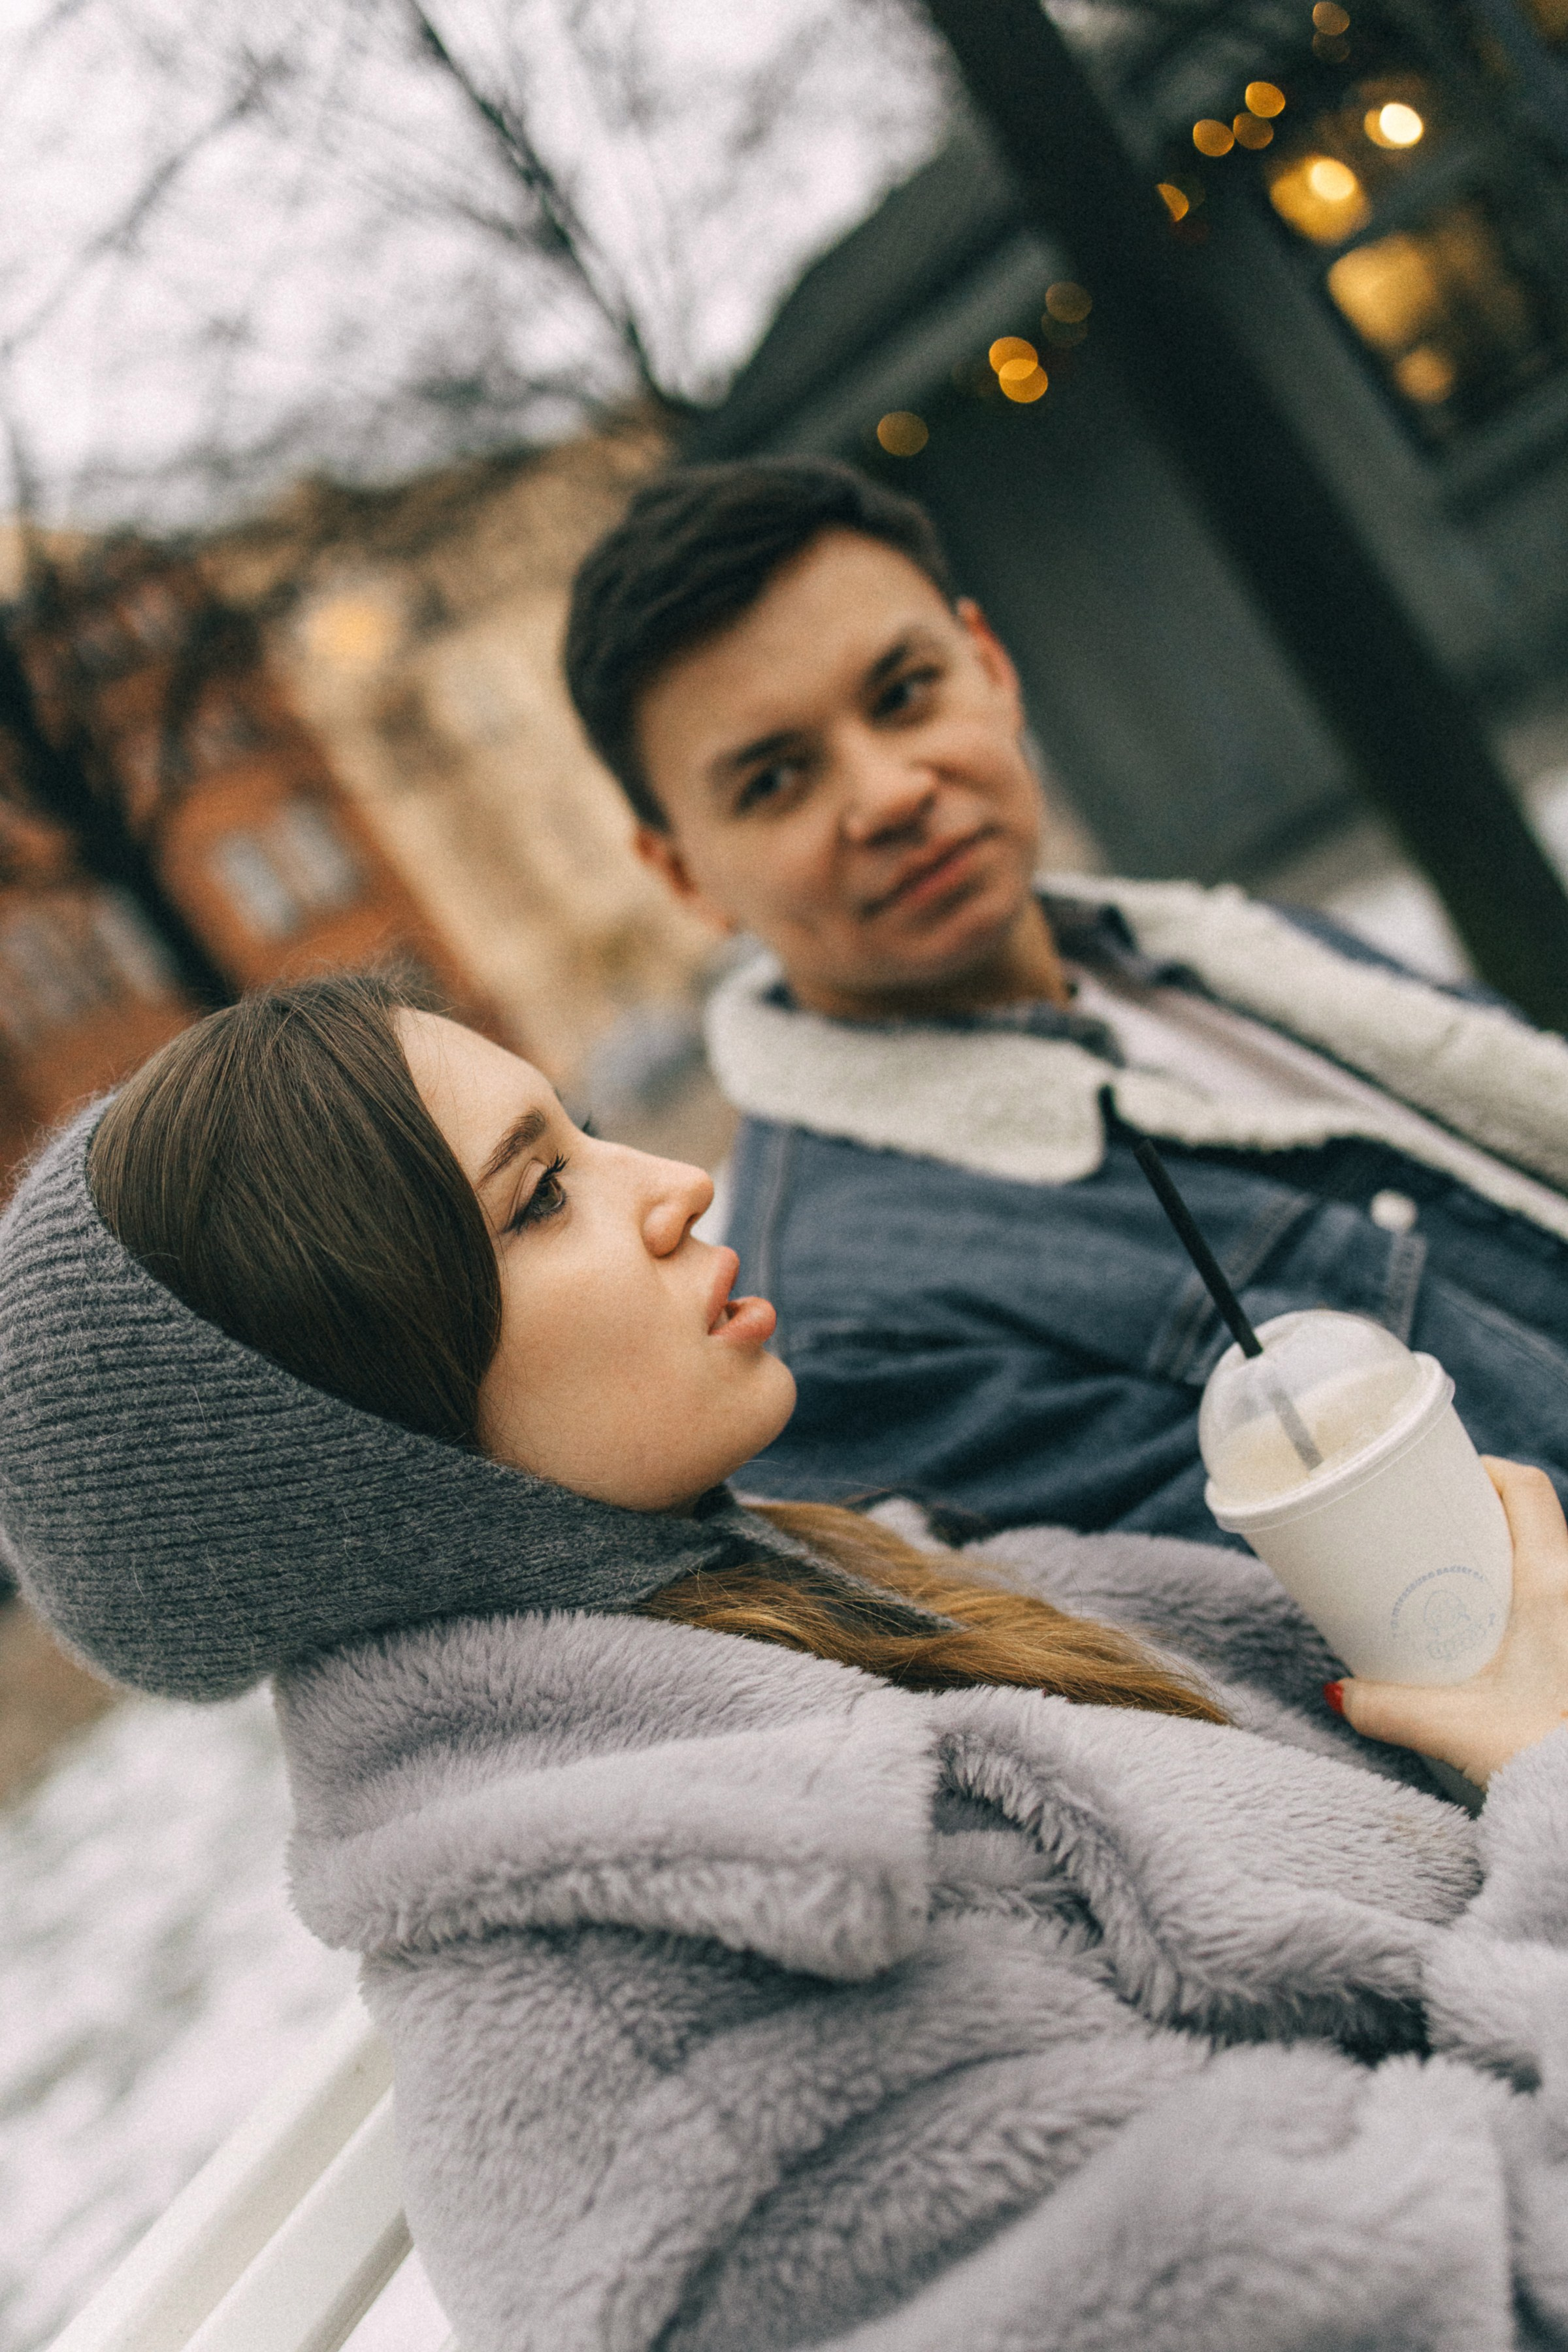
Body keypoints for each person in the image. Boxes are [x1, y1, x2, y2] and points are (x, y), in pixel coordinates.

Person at [2, 971, 1567, 2352]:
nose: (676, 1182)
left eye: (587, 1132)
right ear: (361, 1457)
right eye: (539, 1199)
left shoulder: (865, 1604)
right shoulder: (676, 2049)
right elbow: (1480, 2292)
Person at [564, 459, 1568, 1542]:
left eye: (903, 695)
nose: (891, 794)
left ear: (991, 667)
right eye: (774, 780)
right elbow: (1385, 1600)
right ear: (683, 874)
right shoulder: (848, 1332)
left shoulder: (1240, 950)